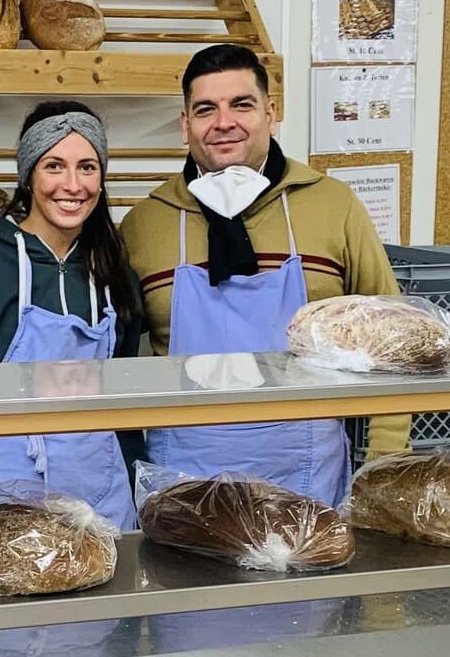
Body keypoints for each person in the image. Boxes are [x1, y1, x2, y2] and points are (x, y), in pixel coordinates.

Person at [119, 43, 408, 507]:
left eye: (242, 104)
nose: (223, 122)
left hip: (307, 475)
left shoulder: (333, 207)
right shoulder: (145, 224)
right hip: (184, 481)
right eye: (205, 109)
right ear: (185, 123)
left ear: (271, 113)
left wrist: (383, 464)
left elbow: (392, 342)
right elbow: (119, 366)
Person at [0, 101, 144, 528]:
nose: (72, 184)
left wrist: (142, 496)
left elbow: (126, 408)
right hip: (4, 494)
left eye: (87, 167)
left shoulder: (114, 272)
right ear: (28, 175)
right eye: (54, 166)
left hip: (103, 497)